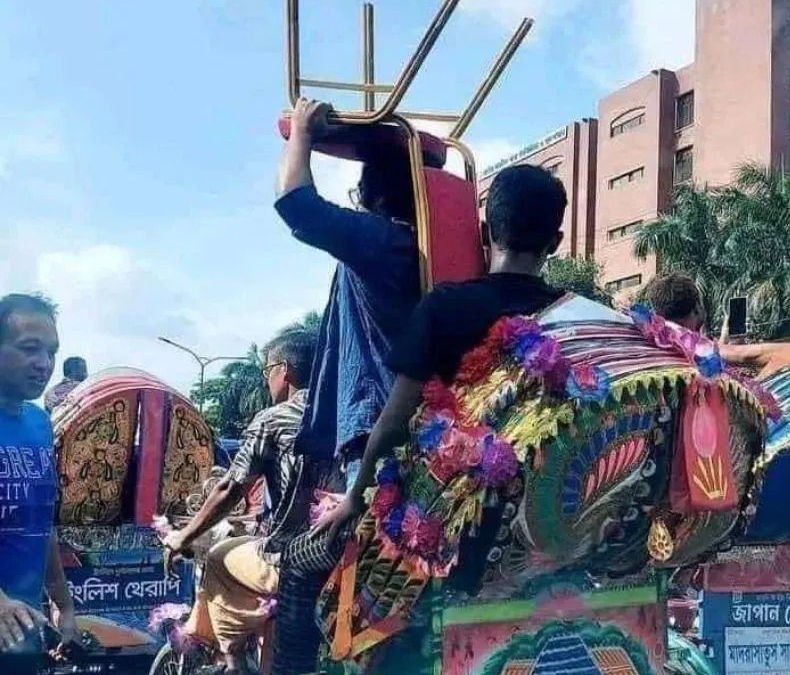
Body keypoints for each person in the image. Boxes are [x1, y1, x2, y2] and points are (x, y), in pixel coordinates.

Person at [272, 163, 568, 674]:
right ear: (556, 241)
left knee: (298, 564)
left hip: (442, 526)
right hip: (547, 523)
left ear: (485, 230)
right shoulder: (574, 312)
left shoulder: (445, 307)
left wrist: (353, 498)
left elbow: (391, 424)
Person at [275, 98, 420, 495]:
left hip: (375, 431)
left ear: (370, 195)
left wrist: (301, 132)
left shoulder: (381, 241)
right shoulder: (432, 247)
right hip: (426, 426)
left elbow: (295, 202)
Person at [162, 327, 317, 674]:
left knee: (217, 557)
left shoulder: (274, 419)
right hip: (336, 552)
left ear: (285, 370)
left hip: (289, 558)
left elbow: (230, 490)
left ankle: (233, 663)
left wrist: (182, 537)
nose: (266, 381)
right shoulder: (342, 411)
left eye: (267, 371)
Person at [0, 294, 76, 672]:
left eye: (51, 351)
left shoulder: (39, 424)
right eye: (30, 349)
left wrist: (64, 605)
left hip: (23, 627)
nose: (44, 364)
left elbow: (40, 522)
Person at [645, 272, 790, 379]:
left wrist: (725, 340)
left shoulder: (653, 340)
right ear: (697, 307)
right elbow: (744, 356)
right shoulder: (688, 343)